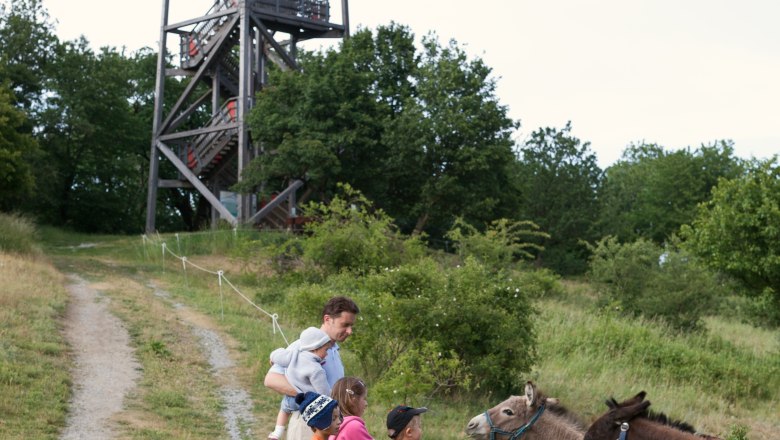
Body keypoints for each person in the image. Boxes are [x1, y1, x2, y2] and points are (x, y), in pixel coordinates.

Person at [265, 296, 360, 440]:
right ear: (327, 319)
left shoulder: (333, 349)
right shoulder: (304, 346)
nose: (350, 331)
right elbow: (271, 379)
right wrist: (310, 399)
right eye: (345, 324)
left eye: (351, 326)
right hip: (307, 423)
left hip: (328, 424)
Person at [267, 327, 334, 440]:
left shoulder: (293, 355)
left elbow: (278, 354)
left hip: (290, 398)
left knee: (284, 410)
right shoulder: (316, 370)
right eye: (325, 350)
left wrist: (272, 358)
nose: (326, 354)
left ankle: (277, 432)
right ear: (315, 348)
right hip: (306, 403)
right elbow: (324, 393)